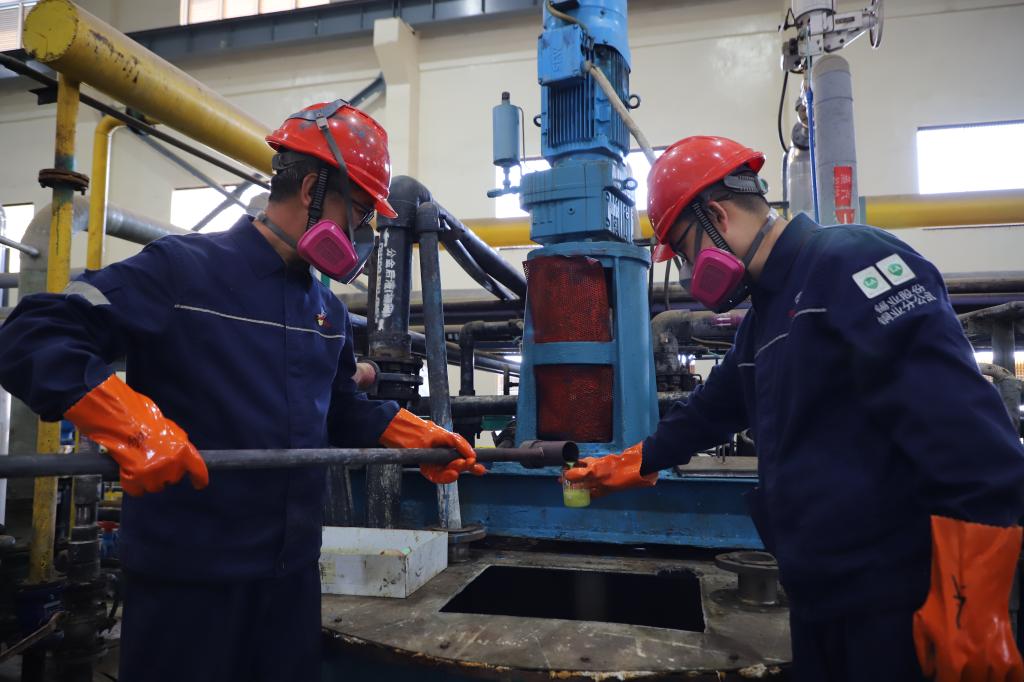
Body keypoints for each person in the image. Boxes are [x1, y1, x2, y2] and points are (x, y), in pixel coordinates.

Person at [0, 99, 482, 682]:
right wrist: (130, 423)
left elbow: (338, 406)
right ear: (312, 189)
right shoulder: (182, 271)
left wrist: (414, 436)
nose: (360, 236)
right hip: (189, 584)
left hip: (291, 579)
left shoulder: (325, 310)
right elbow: (32, 333)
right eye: (357, 213)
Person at [565, 135, 1024, 682]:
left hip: (896, 601)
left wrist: (973, 605)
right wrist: (633, 461)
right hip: (819, 598)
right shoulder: (765, 317)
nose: (688, 271)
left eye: (684, 251)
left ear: (717, 216)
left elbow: (971, 443)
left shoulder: (854, 262)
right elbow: (712, 410)